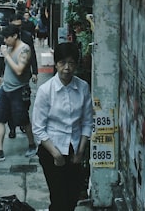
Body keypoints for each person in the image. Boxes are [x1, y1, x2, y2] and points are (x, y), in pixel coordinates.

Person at [31, 42, 93, 211]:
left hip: (74, 149)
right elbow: (38, 128)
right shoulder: (46, 91)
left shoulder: (82, 88)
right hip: (51, 149)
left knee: (72, 197)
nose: (67, 68)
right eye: (62, 62)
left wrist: (80, 151)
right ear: (56, 63)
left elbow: (87, 122)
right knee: (59, 200)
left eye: (71, 63)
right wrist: (56, 154)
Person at [0, 24, 38, 161]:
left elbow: (19, 70)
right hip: (5, 88)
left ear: (15, 36)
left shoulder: (24, 49)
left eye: (7, 38)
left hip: (19, 90)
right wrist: (1, 76)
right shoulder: (8, 47)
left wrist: (7, 55)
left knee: (22, 119)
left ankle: (32, 144)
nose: (5, 40)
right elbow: (4, 65)